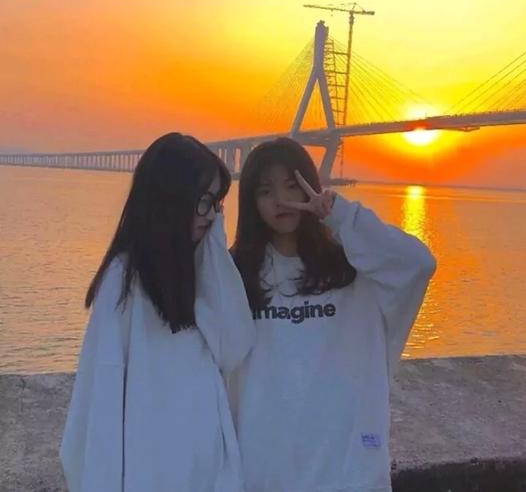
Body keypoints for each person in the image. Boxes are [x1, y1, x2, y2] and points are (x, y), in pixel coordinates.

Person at [229, 137, 436, 492]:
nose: (281, 200)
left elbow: (418, 265)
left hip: (349, 472)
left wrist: (339, 215)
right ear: (251, 203)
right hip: (265, 474)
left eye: (292, 185)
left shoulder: (353, 266)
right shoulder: (236, 274)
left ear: (311, 185)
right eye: (265, 191)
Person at [60, 132, 254, 492]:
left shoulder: (199, 271)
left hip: (206, 474)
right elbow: (101, 399)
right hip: (151, 475)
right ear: (171, 199)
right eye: (205, 202)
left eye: (217, 203)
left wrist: (214, 251)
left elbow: (234, 347)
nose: (212, 215)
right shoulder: (124, 281)